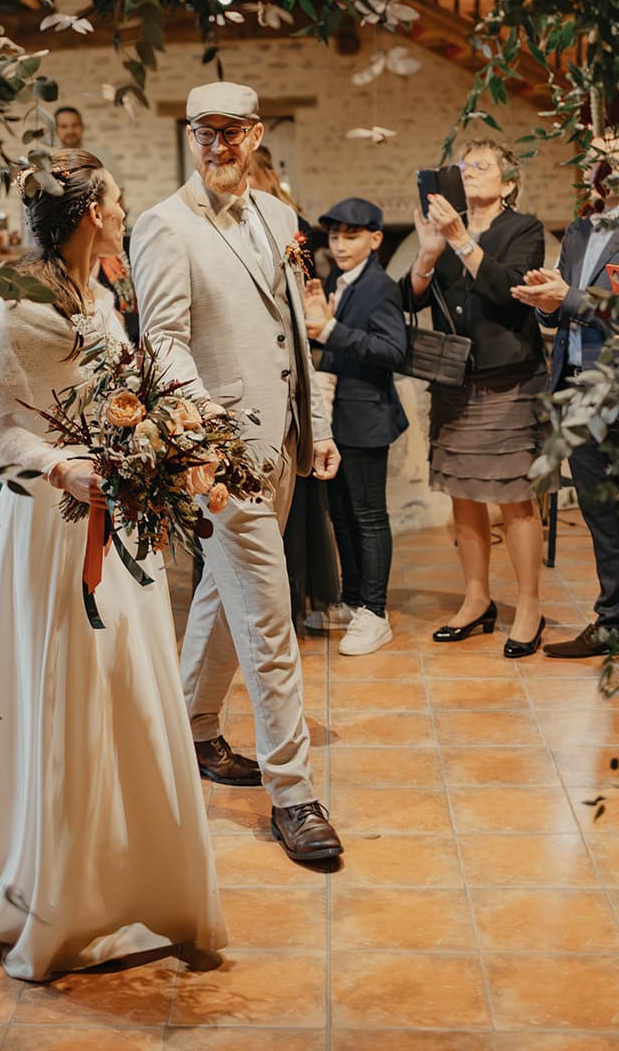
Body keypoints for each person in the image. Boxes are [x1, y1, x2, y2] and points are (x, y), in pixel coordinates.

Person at [0, 150, 226, 980]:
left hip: (119, 530)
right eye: (114, 199)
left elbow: (131, 396)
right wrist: (62, 467)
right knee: (56, 690)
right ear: (89, 215)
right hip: (48, 530)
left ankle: (136, 874)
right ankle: (50, 885)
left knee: (124, 691)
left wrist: (176, 441)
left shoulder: (106, 300)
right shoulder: (12, 311)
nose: (122, 208)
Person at [131, 82, 343, 864]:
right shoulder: (163, 227)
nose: (215, 148)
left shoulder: (281, 218)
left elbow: (297, 334)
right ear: (189, 137)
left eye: (229, 134)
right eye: (200, 134)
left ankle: (192, 730)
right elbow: (162, 341)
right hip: (220, 459)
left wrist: (315, 427)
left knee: (225, 594)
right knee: (268, 616)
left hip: (283, 445)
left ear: (256, 135)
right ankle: (294, 794)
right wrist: (203, 432)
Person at [512, 131, 619, 656]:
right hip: (573, 381)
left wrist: (567, 296)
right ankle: (613, 618)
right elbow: (569, 302)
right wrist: (544, 299)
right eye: (592, 158)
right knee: (598, 508)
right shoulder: (577, 228)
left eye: (610, 158)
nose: (598, 167)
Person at [408, 138, 548, 657]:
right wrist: (427, 252)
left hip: (509, 378)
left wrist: (461, 239)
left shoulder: (523, 229)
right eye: (464, 166)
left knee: (513, 495)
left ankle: (529, 604)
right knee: (462, 492)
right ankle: (476, 598)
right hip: (454, 379)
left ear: (508, 183)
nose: (469, 173)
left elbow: (510, 293)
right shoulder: (443, 230)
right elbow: (411, 298)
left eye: (482, 166)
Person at [304, 198, 408, 656]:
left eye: (352, 235)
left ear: (375, 239)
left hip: (367, 415)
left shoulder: (380, 286)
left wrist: (327, 331)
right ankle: (352, 599)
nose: (341, 244)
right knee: (341, 515)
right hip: (337, 415)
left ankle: (376, 612)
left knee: (368, 516)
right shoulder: (337, 280)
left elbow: (393, 350)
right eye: (335, 236)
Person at [249, 153, 341, 629]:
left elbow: (304, 286)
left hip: (289, 370)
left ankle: (291, 597)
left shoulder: (290, 227)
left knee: (295, 506)